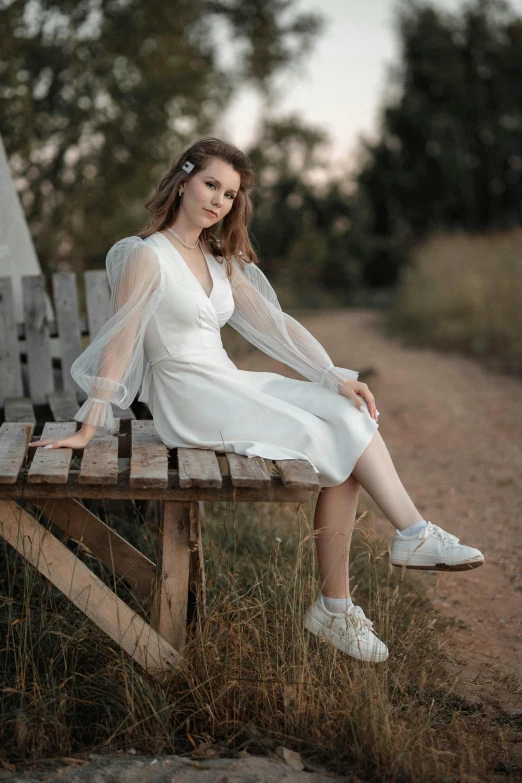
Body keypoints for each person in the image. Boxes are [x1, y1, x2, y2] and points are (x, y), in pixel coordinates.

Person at [28, 137, 484, 663]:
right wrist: (92, 420)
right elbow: (123, 339)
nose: (218, 200)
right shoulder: (145, 256)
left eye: (230, 194)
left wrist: (333, 376)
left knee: (345, 413)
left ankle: (378, 566)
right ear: (183, 180)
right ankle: (361, 585)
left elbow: (276, 325)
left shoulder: (218, 258)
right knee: (326, 438)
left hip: (227, 381)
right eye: (210, 184)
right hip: (189, 398)